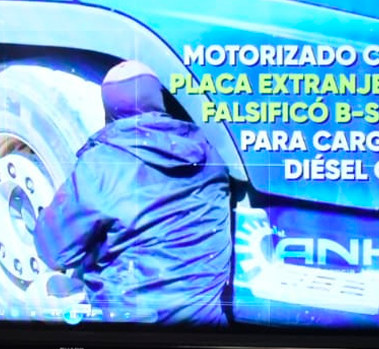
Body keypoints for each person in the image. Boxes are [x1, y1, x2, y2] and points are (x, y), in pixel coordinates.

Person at [32, 60, 233, 326]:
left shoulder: (102, 164)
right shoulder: (208, 150)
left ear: (109, 109)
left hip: (134, 333)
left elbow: (52, 251)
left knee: (41, 291)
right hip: (207, 327)